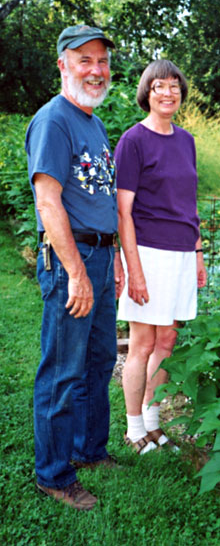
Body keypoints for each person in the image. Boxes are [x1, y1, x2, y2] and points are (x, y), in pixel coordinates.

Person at [25, 25, 124, 511]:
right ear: (62, 63)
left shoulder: (94, 123)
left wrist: (115, 260)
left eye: (102, 60)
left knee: (100, 359)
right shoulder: (53, 120)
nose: (96, 69)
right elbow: (48, 201)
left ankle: (89, 449)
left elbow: (100, 196)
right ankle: (54, 473)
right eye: (84, 59)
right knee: (63, 371)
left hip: (102, 256)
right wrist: (77, 273)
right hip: (74, 260)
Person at [115, 59, 207, 455]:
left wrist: (199, 253)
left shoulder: (186, 140)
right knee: (142, 343)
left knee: (167, 340)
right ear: (146, 94)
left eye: (174, 86)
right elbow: (123, 212)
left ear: (181, 93)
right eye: (158, 87)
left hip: (183, 252)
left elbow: (190, 203)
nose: (167, 93)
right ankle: (134, 429)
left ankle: (153, 422)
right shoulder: (132, 141)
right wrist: (133, 269)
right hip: (148, 253)